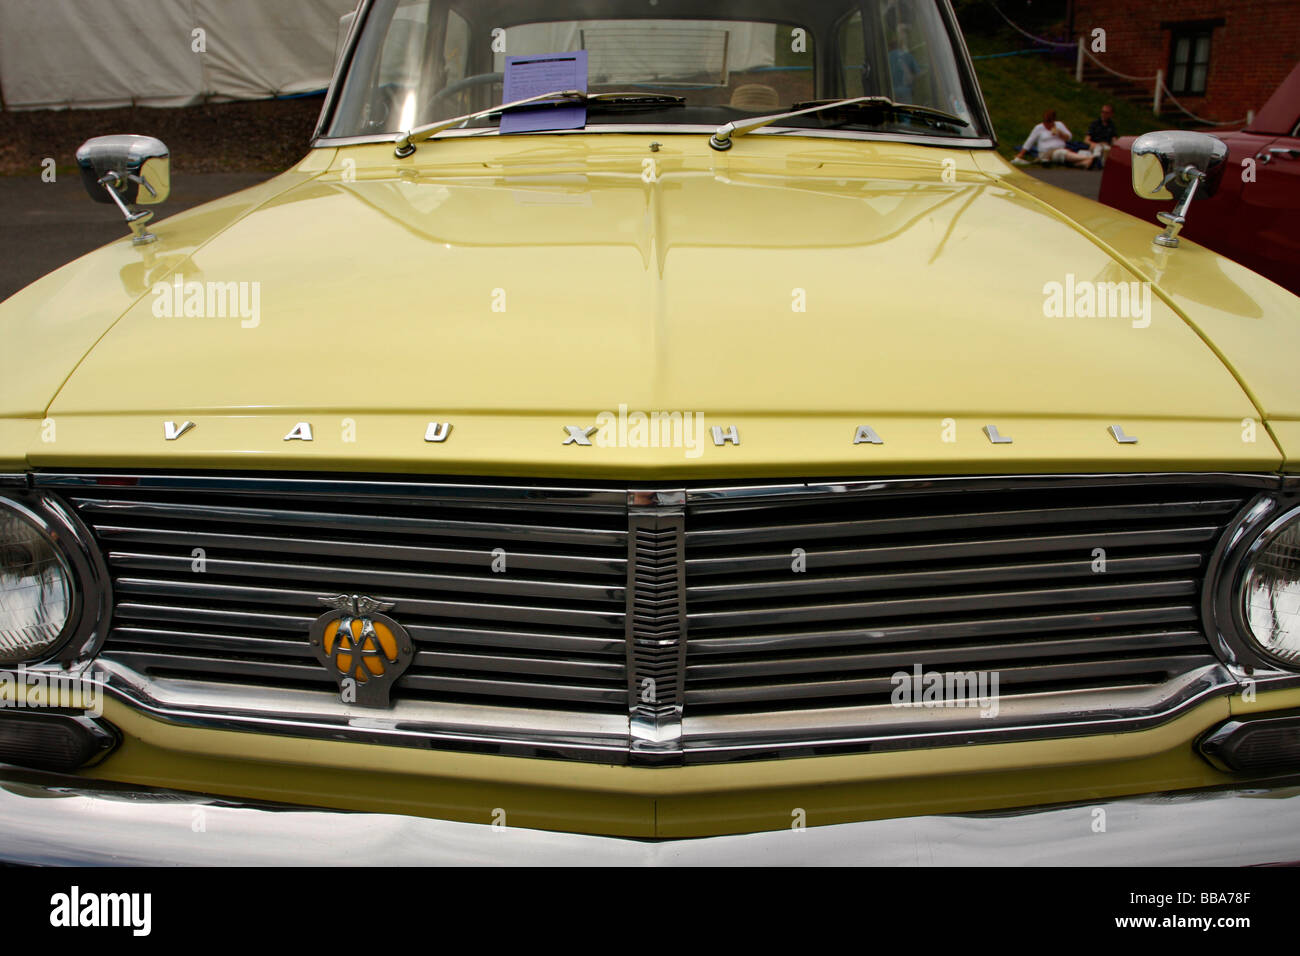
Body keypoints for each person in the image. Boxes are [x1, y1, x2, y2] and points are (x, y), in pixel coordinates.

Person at [1012, 109, 1093, 168]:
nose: (1048, 124)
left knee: (1063, 153)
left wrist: (1060, 133)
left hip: (1061, 148)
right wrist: (1021, 154)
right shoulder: (1039, 128)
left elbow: (1069, 138)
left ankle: (1083, 163)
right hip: (1047, 153)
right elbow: (1029, 141)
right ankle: (1088, 158)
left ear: (1054, 121)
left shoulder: (1059, 125)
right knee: (1061, 153)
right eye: (1046, 121)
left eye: (1050, 121)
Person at [1085, 104, 1118, 168]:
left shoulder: (1111, 126)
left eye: (1106, 113)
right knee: (1098, 148)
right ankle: (1096, 160)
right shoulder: (1095, 124)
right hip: (1095, 145)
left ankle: (1101, 163)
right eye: (1102, 112)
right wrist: (1098, 144)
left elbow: (1114, 139)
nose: (1103, 114)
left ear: (1111, 114)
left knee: (1107, 149)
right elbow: (1086, 140)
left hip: (1106, 147)